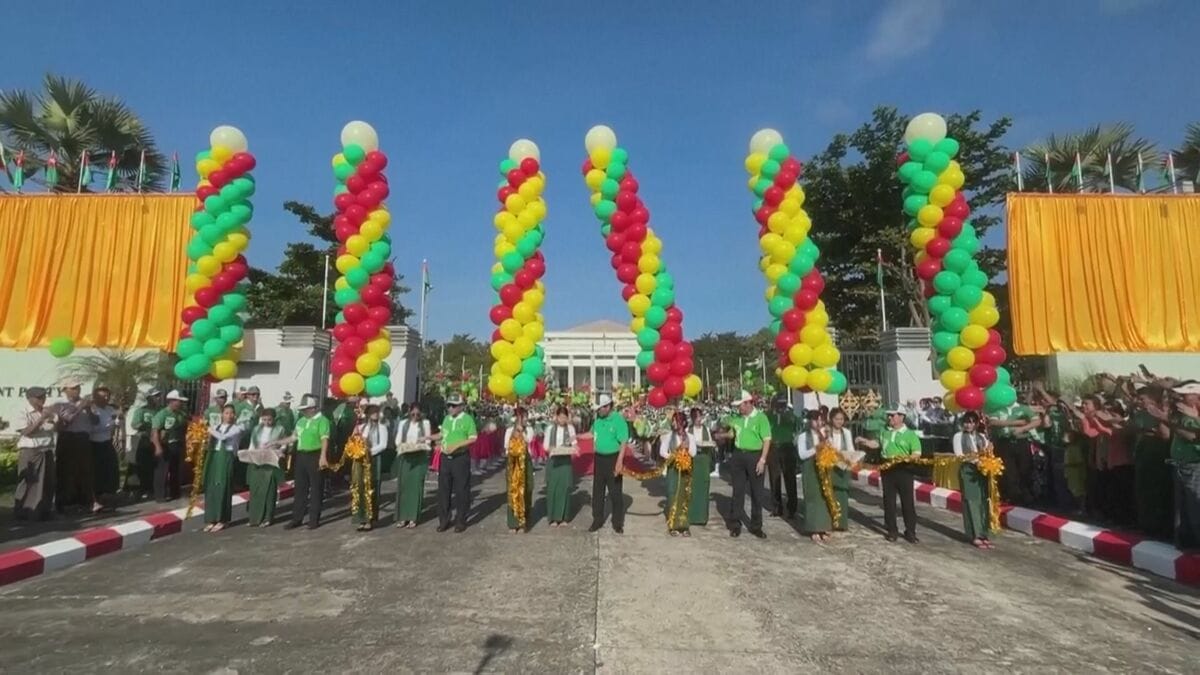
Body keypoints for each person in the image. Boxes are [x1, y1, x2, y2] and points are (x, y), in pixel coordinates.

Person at [862, 408, 922, 543]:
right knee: (888, 501)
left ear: (901, 417)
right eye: (889, 416)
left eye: (892, 416)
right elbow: (877, 444)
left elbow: (917, 453)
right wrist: (865, 442)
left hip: (903, 469)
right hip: (887, 469)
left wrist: (906, 459)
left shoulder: (910, 434)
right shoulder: (885, 432)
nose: (890, 418)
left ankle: (910, 531)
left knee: (907, 502)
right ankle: (892, 530)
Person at [718, 391, 771, 539]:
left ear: (748, 403)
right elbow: (730, 432)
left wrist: (762, 460)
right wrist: (721, 434)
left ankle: (756, 526)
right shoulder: (737, 418)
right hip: (738, 455)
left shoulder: (761, 418)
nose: (738, 408)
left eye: (740, 405)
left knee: (756, 493)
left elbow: (767, 440)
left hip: (755, 456)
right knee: (738, 491)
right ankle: (735, 524)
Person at [579, 394, 629, 534]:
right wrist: (576, 436)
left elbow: (624, 442)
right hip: (599, 459)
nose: (598, 411)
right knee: (598, 491)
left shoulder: (618, 420)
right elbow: (591, 434)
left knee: (615, 493)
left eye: (601, 408)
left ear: (608, 406)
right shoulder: (598, 419)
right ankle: (597, 519)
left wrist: (619, 462)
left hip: (613, 459)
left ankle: (617, 522)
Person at [282, 394, 331, 530]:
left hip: (315, 455)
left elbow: (324, 439)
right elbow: (293, 437)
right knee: (300, 488)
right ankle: (297, 518)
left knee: (316, 488)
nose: (303, 412)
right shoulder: (301, 421)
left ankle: (314, 519)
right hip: (301, 455)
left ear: (313, 408)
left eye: (306, 409)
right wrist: (277, 442)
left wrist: (323, 456)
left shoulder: (322, 420)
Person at [431, 394, 477, 533]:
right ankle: (444, 519)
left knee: (461, 490)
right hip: (445, 458)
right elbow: (442, 434)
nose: (450, 408)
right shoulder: (447, 419)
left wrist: (457, 445)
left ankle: (461, 520)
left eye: (453, 405)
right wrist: (429, 437)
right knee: (444, 490)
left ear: (461, 406)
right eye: (449, 405)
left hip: (460, 458)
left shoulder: (468, 419)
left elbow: (473, 438)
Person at [1164, 383, 1200, 549]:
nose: (1179, 399)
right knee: (1182, 509)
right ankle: (1185, 542)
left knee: (1195, 508)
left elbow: (1192, 436)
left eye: (1184, 395)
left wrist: (1164, 420)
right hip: (1180, 466)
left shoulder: (1195, 415)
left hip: (1194, 468)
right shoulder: (1181, 415)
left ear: (1195, 396)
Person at [14, 387, 57, 521]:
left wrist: (53, 418)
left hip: (47, 449)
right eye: (39, 397)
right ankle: (24, 511)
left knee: (47, 482)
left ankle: (44, 510)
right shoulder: (23, 411)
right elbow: (26, 432)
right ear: (30, 399)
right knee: (30, 481)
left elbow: (58, 428)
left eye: (43, 397)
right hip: (31, 450)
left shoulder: (47, 411)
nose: (42, 400)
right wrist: (41, 419)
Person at [952, 412, 994, 549]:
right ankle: (974, 535)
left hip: (982, 472)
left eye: (971, 422)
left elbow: (989, 452)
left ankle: (984, 533)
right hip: (968, 471)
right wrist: (976, 461)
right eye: (966, 422)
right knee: (971, 502)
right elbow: (959, 455)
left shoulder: (982, 437)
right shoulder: (958, 436)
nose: (968, 425)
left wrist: (989, 454)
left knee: (983, 502)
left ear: (976, 424)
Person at [988, 396, 1040, 506]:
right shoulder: (998, 409)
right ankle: (1014, 497)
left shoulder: (1024, 408)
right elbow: (993, 422)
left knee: (1025, 468)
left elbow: (1037, 421)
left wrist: (1022, 428)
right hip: (1004, 442)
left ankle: (1027, 494)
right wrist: (1016, 422)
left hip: (1021, 442)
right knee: (1009, 471)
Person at [54, 380, 96, 514]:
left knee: (84, 471)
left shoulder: (87, 403)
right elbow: (66, 422)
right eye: (72, 388)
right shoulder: (60, 404)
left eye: (78, 387)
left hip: (83, 438)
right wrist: (79, 408)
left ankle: (84, 502)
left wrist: (88, 409)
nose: (76, 390)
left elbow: (96, 421)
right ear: (65, 390)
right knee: (66, 471)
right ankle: (64, 503)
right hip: (68, 438)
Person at [242, 407, 286, 527]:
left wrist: (280, 452)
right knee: (255, 490)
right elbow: (252, 444)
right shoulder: (256, 429)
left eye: (269, 420)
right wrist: (250, 455)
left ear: (274, 419)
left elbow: (283, 444)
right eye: (264, 419)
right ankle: (254, 518)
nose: (267, 422)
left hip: (271, 461)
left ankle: (267, 518)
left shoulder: (279, 429)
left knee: (269, 490)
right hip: (257, 461)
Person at [797, 409, 836, 542]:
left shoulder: (825, 434)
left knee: (825, 496)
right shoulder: (803, 436)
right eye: (815, 419)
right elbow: (802, 454)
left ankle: (824, 526)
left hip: (824, 468)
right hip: (810, 469)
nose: (818, 422)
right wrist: (817, 448)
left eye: (820, 419)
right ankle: (813, 528)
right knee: (813, 498)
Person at [394, 403, 433, 529]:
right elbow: (398, 440)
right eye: (413, 413)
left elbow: (427, 440)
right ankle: (402, 517)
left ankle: (413, 517)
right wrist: (404, 446)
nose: (415, 416)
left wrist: (419, 445)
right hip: (406, 456)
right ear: (409, 413)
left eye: (418, 414)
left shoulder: (425, 423)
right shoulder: (403, 423)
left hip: (419, 457)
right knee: (404, 486)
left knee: (416, 487)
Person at [203, 404, 241, 533]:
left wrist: (209, 429)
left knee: (223, 486)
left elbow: (223, 437)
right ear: (222, 415)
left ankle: (222, 519)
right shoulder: (216, 427)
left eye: (231, 413)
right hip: (214, 457)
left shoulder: (236, 428)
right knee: (212, 487)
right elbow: (210, 440)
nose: (229, 416)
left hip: (226, 457)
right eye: (226, 413)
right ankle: (211, 518)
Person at [659, 411, 698, 537]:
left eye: (676, 421)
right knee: (672, 495)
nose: (674, 423)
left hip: (686, 470)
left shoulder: (690, 437)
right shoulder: (669, 436)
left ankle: (684, 526)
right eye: (673, 421)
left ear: (683, 422)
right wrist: (673, 456)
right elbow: (662, 452)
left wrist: (686, 448)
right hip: (673, 469)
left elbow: (693, 453)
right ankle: (674, 525)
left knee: (684, 496)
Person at [352, 404, 389, 532]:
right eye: (373, 412)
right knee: (360, 488)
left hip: (373, 459)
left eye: (377, 412)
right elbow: (353, 441)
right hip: (360, 460)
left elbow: (383, 445)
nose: (375, 414)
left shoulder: (382, 428)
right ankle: (360, 518)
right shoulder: (361, 427)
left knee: (371, 488)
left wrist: (369, 451)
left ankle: (369, 519)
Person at [150, 390, 189, 503]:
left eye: (181, 401)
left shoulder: (181, 414)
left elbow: (183, 430)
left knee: (176, 470)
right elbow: (155, 431)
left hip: (177, 445)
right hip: (165, 445)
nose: (180, 403)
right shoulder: (162, 414)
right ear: (171, 401)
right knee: (162, 471)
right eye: (178, 401)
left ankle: (175, 493)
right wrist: (158, 447)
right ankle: (160, 495)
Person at [543, 406, 578, 527]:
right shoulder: (550, 429)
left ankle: (563, 517)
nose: (562, 419)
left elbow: (574, 443)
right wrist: (551, 449)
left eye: (565, 417)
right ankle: (553, 517)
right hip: (554, 461)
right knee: (553, 489)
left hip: (565, 461)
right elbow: (545, 446)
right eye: (560, 417)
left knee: (565, 488)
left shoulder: (570, 429)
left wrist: (574, 448)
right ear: (557, 417)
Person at [766, 395, 799, 519]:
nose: (781, 407)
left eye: (783, 404)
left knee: (790, 478)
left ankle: (792, 508)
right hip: (773, 447)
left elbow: (797, 427)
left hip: (787, 447)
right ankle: (776, 507)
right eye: (778, 404)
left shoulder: (790, 415)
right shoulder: (767, 415)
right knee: (774, 478)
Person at [503, 407, 535, 533]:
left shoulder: (529, 430)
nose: (525, 419)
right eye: (523, 417)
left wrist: (521, 433)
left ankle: (523, 522)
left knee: (526, 489)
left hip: (525, 462)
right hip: (513, 463)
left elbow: (528, 441)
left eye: (526, 417)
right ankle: (513, 523)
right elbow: (506, 445)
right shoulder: (509, 430)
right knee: (513, 491)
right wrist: (514, 432)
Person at [88, 386, 120, 510]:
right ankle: (96, 497)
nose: (105, 399)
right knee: (96, 472)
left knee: (110, 469)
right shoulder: (92, 410)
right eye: (102, 396)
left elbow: (114, 424)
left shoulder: (110, 409)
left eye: (107, 396)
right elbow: (94, 427)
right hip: (94, 443)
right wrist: (108, 426)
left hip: (106, 441)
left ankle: (108, 495)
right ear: (95, 397)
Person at [127, 390, 160, 498]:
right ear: (149, 398)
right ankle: (138, 489)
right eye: (155, 396)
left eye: (159, 396)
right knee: (140, 466)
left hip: (155, 441)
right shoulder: (141, 411)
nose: (158, 398)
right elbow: (134, 425)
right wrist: (144, 425)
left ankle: (149, 488)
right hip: (142, 440)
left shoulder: (159, 411)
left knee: (152, 466)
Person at [688, 407, 716, 526]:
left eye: (700, 417)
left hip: (703, 460)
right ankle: (692, 516)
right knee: (691, 488)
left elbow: (709, 442)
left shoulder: (706, 429)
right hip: (693, 460)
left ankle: (702, 517)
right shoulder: (688, 430)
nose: (698, 420)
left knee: (703, 488)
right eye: (696, 417)